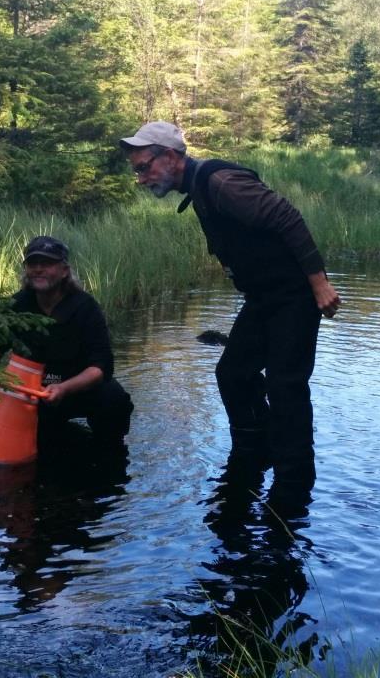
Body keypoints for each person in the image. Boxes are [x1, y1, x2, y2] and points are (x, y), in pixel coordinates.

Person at [119, 121, 340, 507]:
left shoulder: (222, 183)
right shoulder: (200, 189)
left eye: (144, 167)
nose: (140, 178)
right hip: (263, 299)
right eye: (136, 169)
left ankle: (293, 482)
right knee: (233, 373)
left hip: (293, 297)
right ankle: (254, 448)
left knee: (285, 386)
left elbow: (287, 218)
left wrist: (320, 285)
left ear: (170, 157)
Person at [0, 235, 133, 452]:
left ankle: (110, 449)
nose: (39, 269)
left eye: (48, 263)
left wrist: (63, 388)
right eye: (33, 263)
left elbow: (100, 368)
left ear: (64, 271)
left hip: (77, 389)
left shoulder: (86, 307)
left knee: (114, 399)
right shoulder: (17, 304)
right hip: (29, 393)